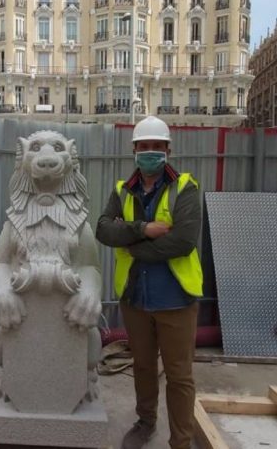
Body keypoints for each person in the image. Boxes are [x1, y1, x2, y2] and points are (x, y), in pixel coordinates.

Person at [95, 116, 203, 449]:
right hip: (135, 297)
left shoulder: (185, 188)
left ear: (168, 149)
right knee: (142, 365)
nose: (151, 152)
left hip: (175, 297)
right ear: (134, 150)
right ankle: (145, 423)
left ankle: (181, 441)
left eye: (157, 147)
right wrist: (143, 229)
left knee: (179, 375)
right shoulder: (122, 190)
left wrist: (132, 245)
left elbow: (183, 241)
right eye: (144, 147)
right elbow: (102, 229)